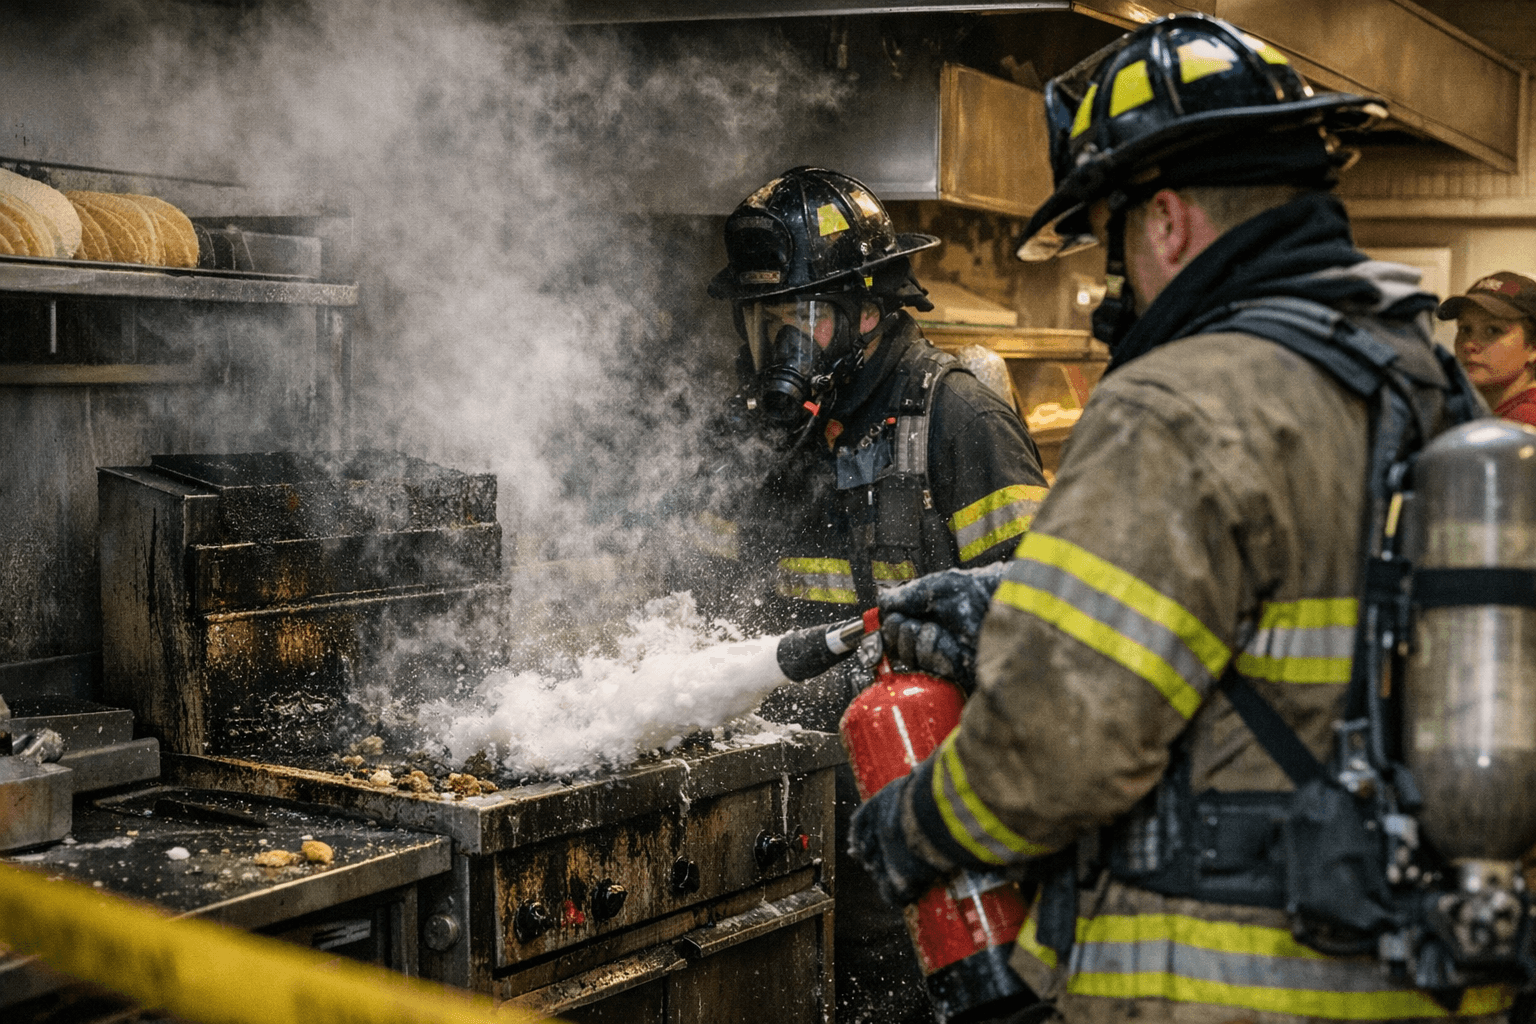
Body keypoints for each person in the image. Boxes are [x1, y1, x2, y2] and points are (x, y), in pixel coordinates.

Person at [849, 14, 1511, 1024]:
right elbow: (1293, 637)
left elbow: (1059, 751)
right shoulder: (1419, 378)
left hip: (1233, 987)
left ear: (1163, 221)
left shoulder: (1176, 402)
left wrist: (911, 827)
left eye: (1112, 239)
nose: (1118, 283)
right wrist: (1023, 609)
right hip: (1422, 974)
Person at [703, 165, 1050, 1024]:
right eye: (763, 324)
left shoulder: (959, 419)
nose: (778, 353)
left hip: (937, 818)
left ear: (866, 312)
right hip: (809, 820)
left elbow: (1045, 632)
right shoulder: (764, 443)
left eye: (800, 322)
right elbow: (718, 610)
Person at [1439, 272, 1536, 427]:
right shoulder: (1489, 415)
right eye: (1465, 329)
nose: (1469, 345)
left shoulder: (1525, 422)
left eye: (1493, 330)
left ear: (1533, 347)